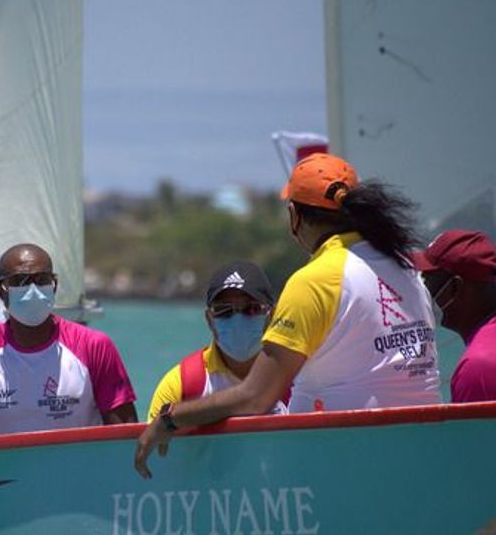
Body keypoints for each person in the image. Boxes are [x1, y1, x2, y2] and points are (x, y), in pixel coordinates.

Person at [135, 152, 441, 478]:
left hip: (347, 467)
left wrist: (170, 418)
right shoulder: (406, 269)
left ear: (295, 215)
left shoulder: (315, 280)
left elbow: (255, 397)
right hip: (420, 457)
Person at [0, 243, 137, 439]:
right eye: (20, 281)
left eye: (42, 280)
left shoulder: (94, 346)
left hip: (76, 475)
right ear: (0, 291)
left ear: (54, 285)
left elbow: (126, 435)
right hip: (4, 477)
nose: (32, 290)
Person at [146, 261, 286, 421]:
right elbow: (151, 443)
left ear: (272, 314)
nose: (237, 319)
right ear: (209, 320)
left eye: (251, 308)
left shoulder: (296, 377)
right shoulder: (180, 385)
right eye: (224, 310)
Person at [412, 230, 496, 402]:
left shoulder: (478, 368)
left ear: (454, 288)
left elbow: (476, 430)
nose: (423, 292)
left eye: (427, 281)